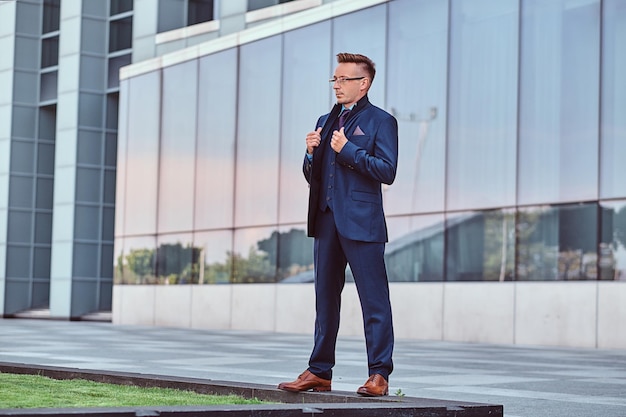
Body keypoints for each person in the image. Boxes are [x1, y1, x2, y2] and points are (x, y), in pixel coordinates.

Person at [278, 53, 398, 397]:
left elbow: (386, 171)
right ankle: (319, 371)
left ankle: (379, 375)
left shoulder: (381, 121)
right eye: (334, 79)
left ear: (364, 83)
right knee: (324, 299)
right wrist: (311, 155)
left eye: (344, 80)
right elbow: (313, 177)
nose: (337, 86)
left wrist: (347, 151)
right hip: (327, 221)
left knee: (374, 300)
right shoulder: (324, 119)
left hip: (362, 222)